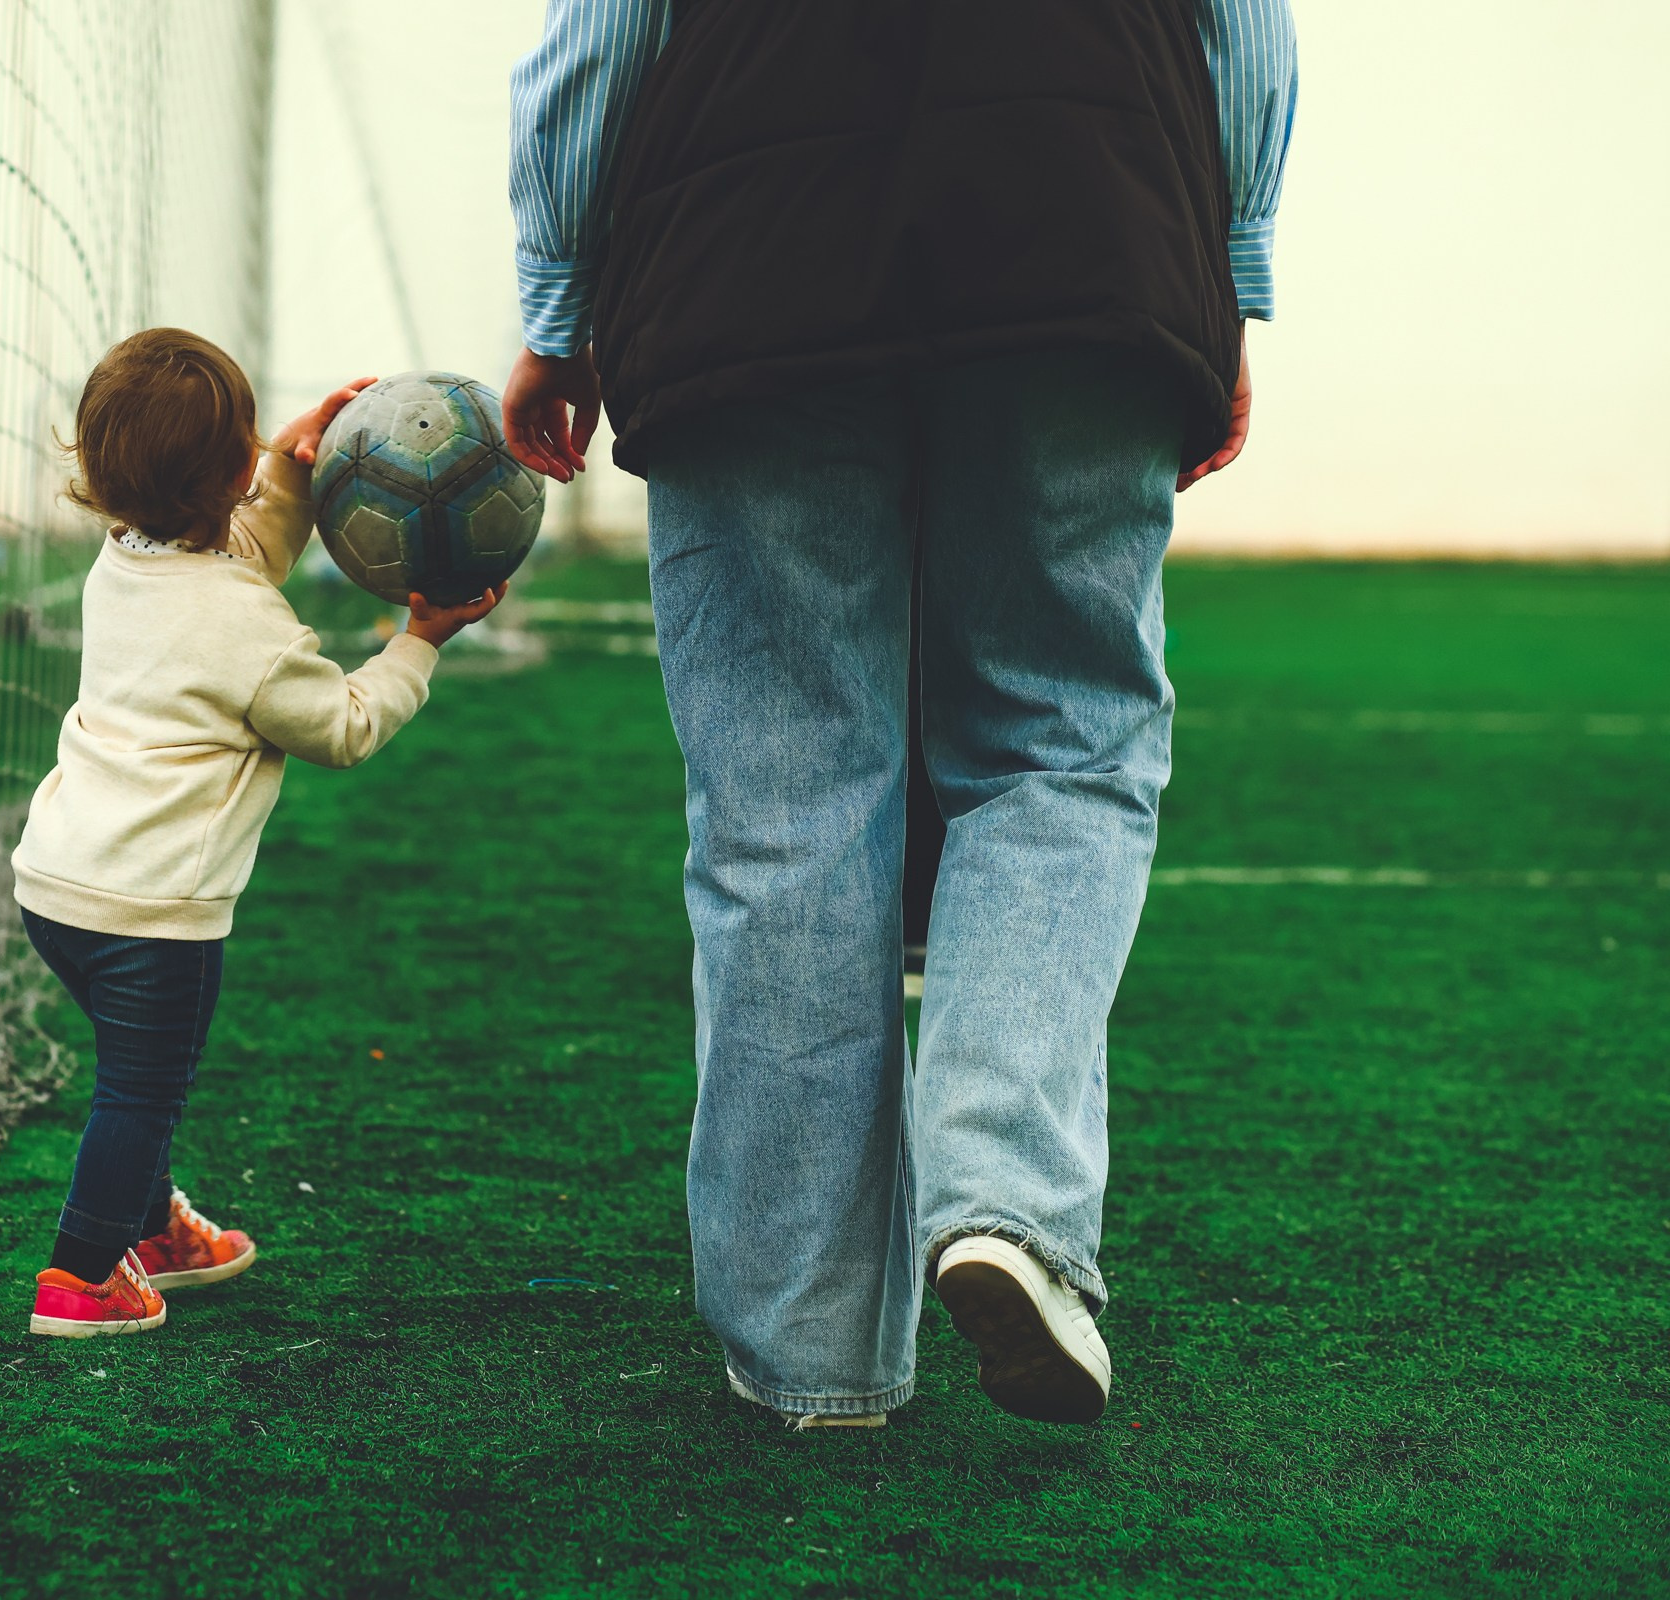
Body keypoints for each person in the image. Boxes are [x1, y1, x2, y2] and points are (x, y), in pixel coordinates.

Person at [504, 0, 1296, 1426]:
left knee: (783, 796)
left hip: (745, 248)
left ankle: (813, 1360)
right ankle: (1006, 1199)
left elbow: (599, 36)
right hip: (1085, 223)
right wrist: (1224, 276)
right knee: (1063, 740)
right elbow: (1245, 32)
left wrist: (562, 306)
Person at [13, 330, 503, 1337]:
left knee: (136, 1075)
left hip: (58, 889)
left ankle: (149, 1228)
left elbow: (243, 554)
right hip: (153, 915)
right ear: (225, 470)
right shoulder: (247, 628)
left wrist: (283, 463)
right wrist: (418, 641)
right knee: (141, 1093)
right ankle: (79, 1274)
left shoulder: (125, 564)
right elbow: (345, 726)